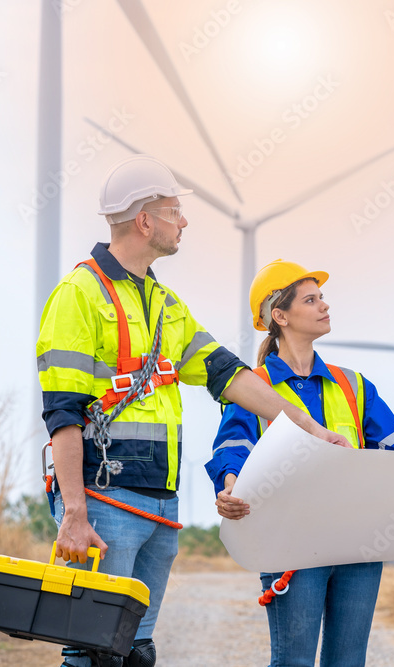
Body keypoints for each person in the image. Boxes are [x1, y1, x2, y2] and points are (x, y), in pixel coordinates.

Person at [36, 156, 350, 667]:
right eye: (175, 211)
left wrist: (310, 428)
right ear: (144, 221)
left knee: (135, 652)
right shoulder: (79, 295)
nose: (184, 221)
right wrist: (73, 512)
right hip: (104, 502)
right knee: (97, 654)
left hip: (160, 504)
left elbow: (230, 374)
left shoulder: (165, 302)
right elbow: (62, 414)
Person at [207, 259, 394, 667]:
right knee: (293, 662)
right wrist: (229, 484)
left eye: (322, 297)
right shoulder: (254, 387)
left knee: (348, 662)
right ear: (280, 315)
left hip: (359, 545)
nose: (324, 306)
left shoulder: (353, 384)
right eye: (311, 300)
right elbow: (233, 446)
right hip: (291, 546)